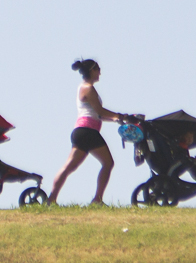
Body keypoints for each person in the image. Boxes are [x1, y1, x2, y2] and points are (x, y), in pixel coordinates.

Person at [45, 59, 134, 206]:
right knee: (108, 163)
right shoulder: (88, 88)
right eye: (98, 69)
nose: (100, 73)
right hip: (88, 132)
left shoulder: (83, 87)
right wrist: (120, 116)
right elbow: (100, 111)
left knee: (69, 167)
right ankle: (97, 200)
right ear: (92, 71)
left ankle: (51, 200)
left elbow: (97, 115)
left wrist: (116, 119)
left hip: (81, 131)